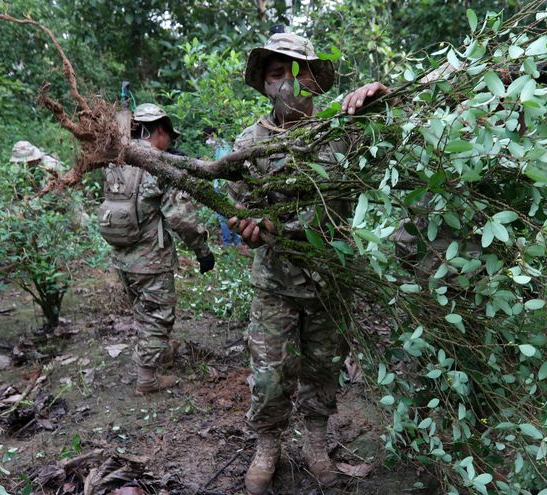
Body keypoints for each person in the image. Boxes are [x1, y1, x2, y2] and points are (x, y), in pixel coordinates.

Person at [226, 31, 389, 494]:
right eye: (277, 74)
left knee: (323, 368)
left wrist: (382, 95)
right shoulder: (248, 143)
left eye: (299, 74)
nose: (288, 84)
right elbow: (240, 209)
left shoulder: (343, 132)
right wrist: (248, 227)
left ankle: (317, 442)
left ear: (317, 83)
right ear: (264, 83)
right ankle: (267, 445)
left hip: (328, 282)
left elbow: (397, 132)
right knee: (271, 376)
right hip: (275, 283)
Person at [97, 103, 216, 395]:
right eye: (169, 136)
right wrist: (203, 250)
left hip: (122, 257)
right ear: (160, 130)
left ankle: (151, 359)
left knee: (143, 311)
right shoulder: (156, 166)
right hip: (150, 260)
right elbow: (181, 217)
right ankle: (147, 378)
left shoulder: (117, 162)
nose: (170, 143)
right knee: (159, 314)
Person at [204, 126, 241, 246]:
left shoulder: (222, 147)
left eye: (207, 137)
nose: (206, 141)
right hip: (224, 184)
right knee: (232, 213)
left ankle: (229, 243)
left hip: (223, 185)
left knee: (222, 215)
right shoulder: (221, 146)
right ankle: (235, 242)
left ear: (211, 136)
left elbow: (223, 168)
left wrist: (220, 186)